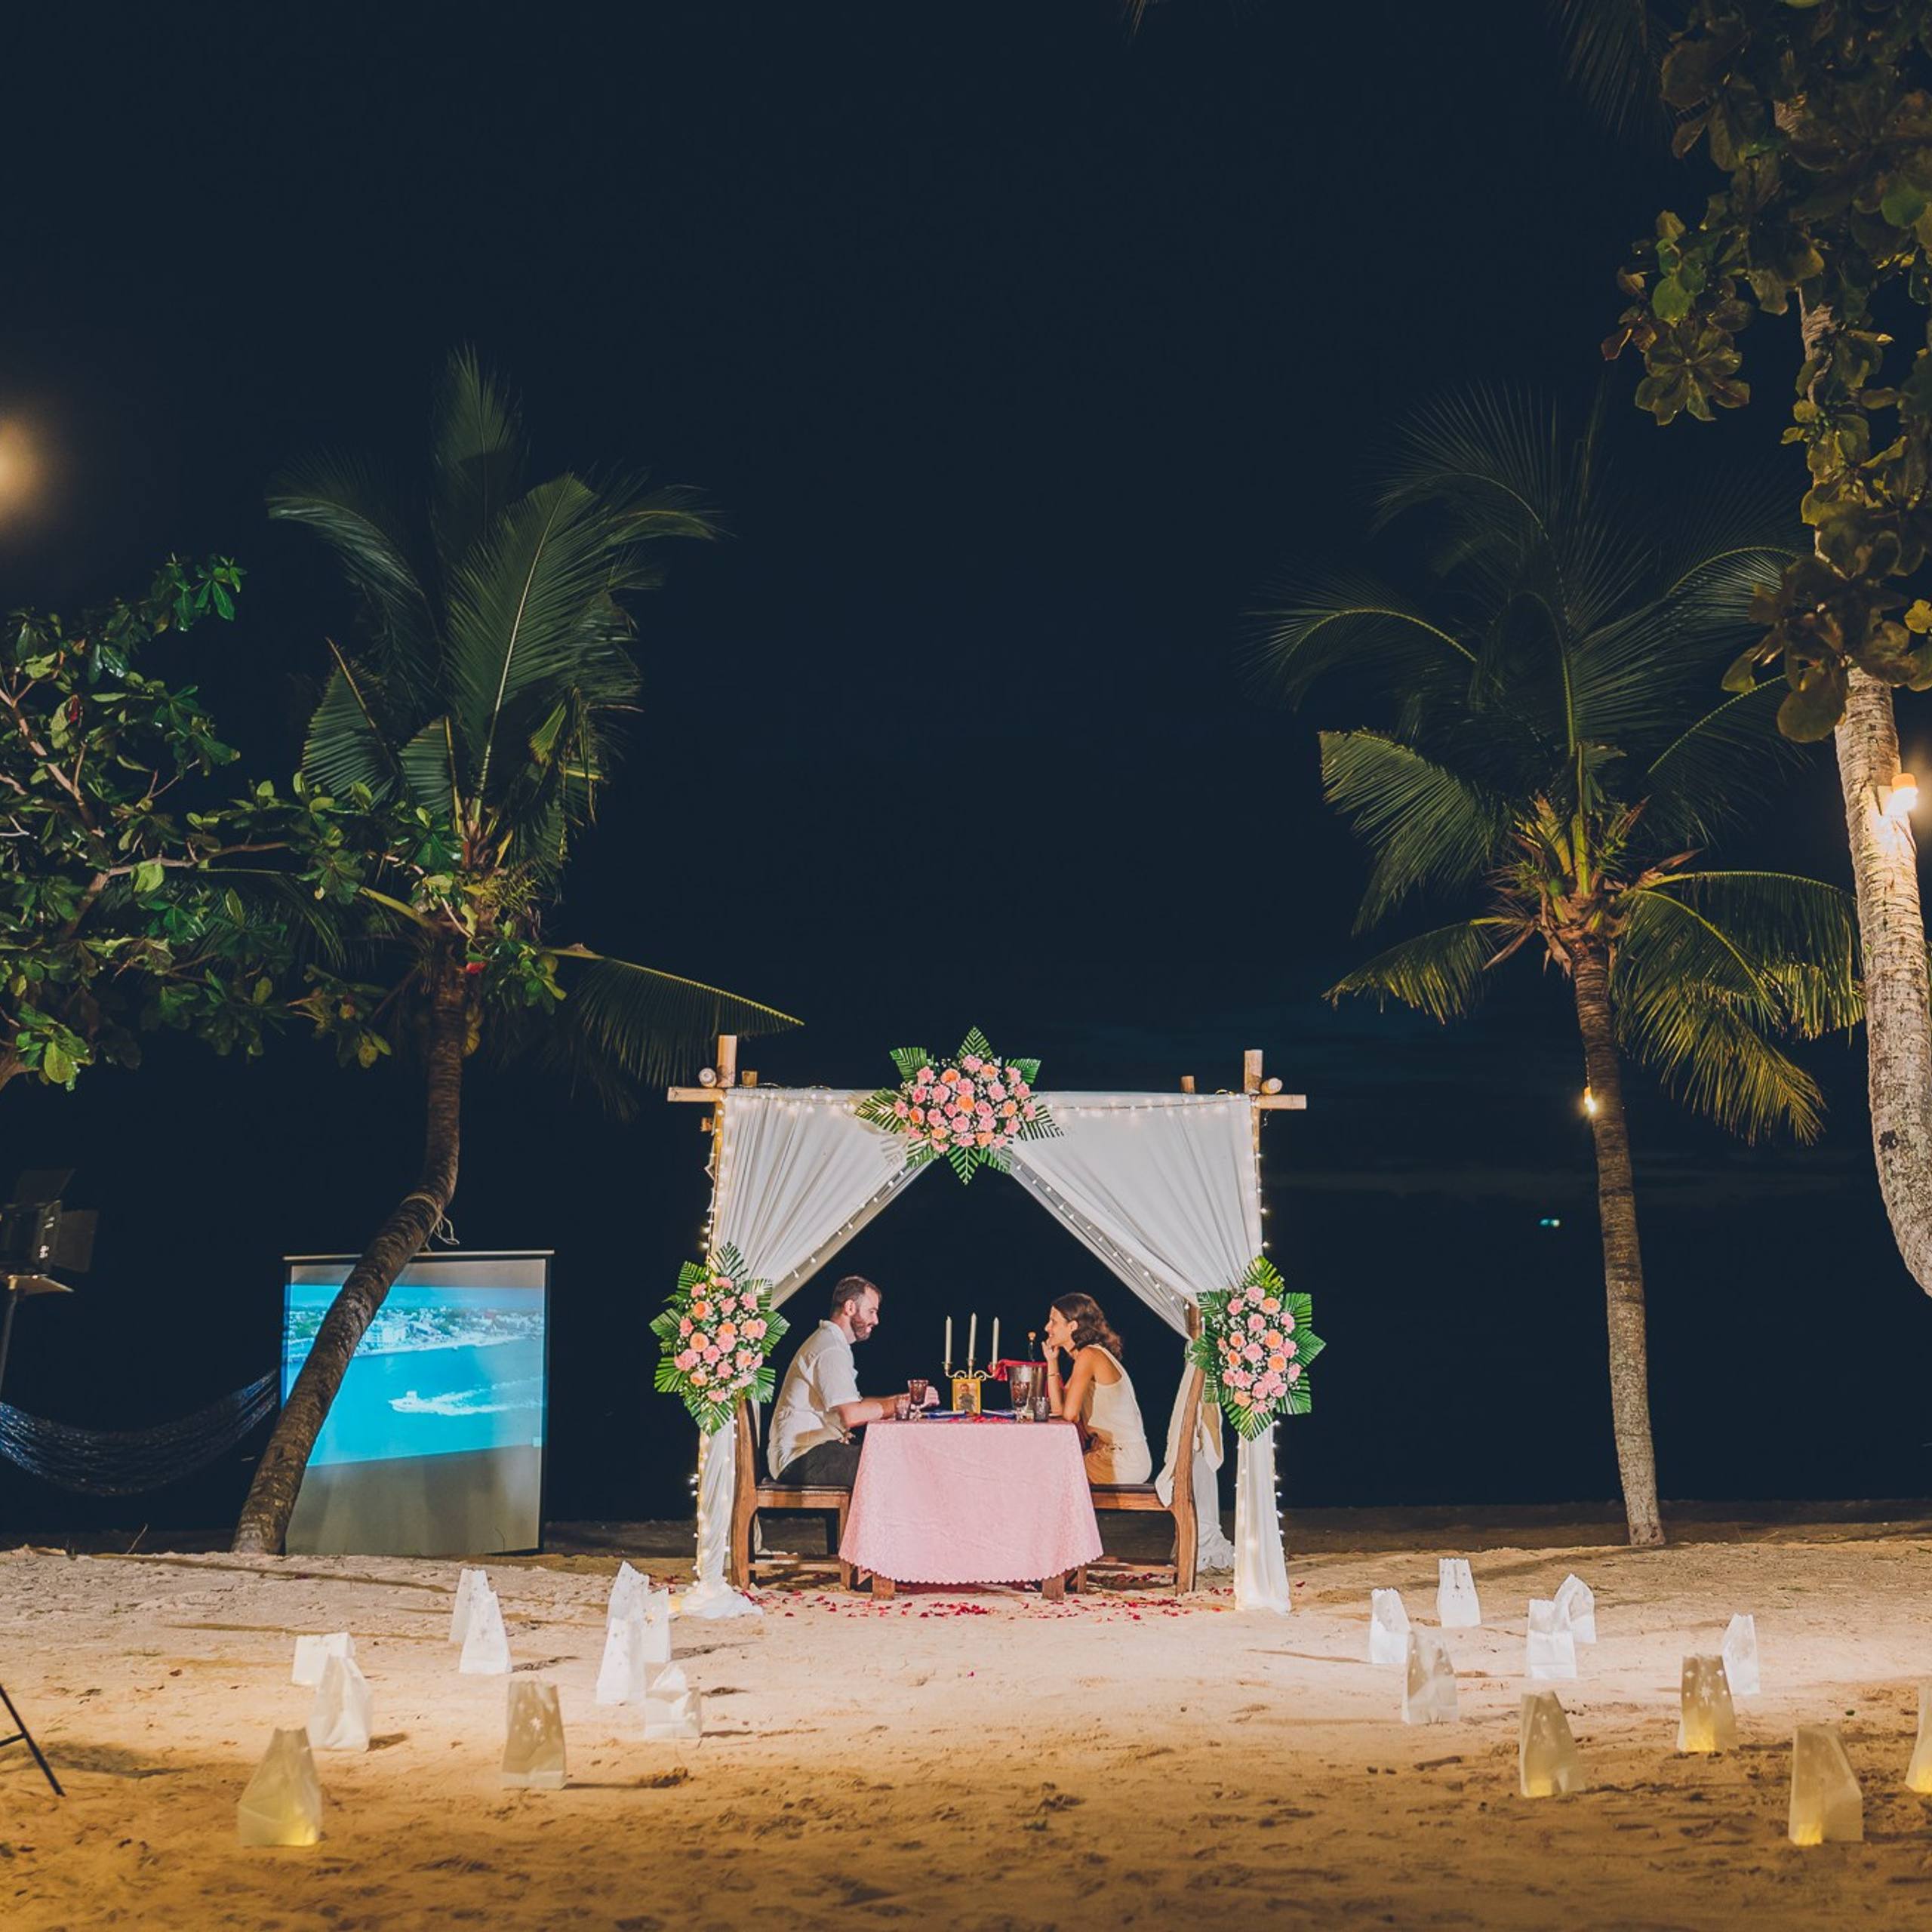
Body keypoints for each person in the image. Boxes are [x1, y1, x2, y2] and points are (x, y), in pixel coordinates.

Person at [768, 1275, 929, 1484]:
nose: (876, 1320)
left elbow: (856, 1405)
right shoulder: (831, 1348)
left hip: (807, 1453)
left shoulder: (833, 1342)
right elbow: (852, 1416)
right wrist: (906, 1402)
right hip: (798, 1458)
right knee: (892, 1465)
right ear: (850, 1307)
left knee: (891, 1456)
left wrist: (902, 1398)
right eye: (872, 1311)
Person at [1041, 1291, 1152, 1485]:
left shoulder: (1089, 1355)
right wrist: (1052, 1362)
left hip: (1124, 1459)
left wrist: (1074, 1418)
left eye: (1054, 1322)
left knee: (1049, 1471)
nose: (1047, 1327)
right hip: (1116, 1456)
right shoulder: (1088, 1356)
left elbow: (1068, 1415)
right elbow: (1059, 1410)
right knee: (1049, 1467)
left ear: (1073, 1326)